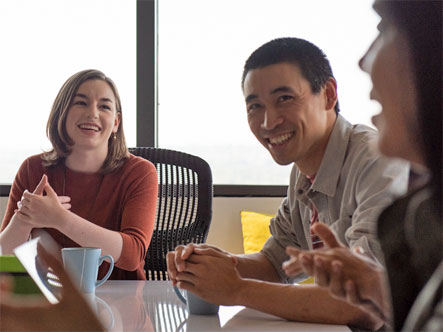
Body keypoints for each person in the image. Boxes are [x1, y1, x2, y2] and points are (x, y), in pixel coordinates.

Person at [167, 37, 409, 329]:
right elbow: (273, 263)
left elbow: (365, 302)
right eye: (255, 106)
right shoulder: (303, 171)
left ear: (329, 94)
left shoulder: (376, 160)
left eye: (285, 98)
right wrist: (213, 265)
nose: (268, 122)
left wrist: (235, 289)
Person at [284, 1, 442, 331]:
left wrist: (236, 289)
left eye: (385, 29)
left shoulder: (373, 162)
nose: (363, 62)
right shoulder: (423, 217)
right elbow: (276, 255)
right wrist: (375, 286)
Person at [0, 69, 158, 280]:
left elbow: (132, 255)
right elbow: (5, 255)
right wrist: (23, 221)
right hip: (51, 300)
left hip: (123, 301)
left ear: (116, 123)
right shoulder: (32, 169)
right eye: (81, 103)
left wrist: (60, 219)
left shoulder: (140, 172)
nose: (92, 113)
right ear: (62, 113)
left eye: (104, 106)